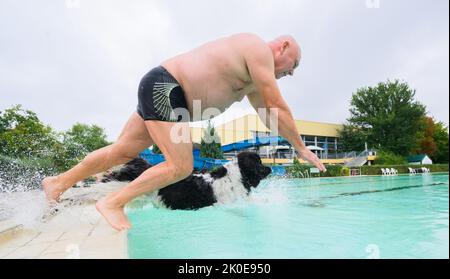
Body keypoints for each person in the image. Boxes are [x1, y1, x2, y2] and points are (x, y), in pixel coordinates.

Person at [42, 33, 327, 231]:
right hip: (167, 88)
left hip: (164, 92)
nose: (291, 74)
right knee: (181, 166)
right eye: (294, 66)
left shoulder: (254, 78)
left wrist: (292, 141)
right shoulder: (257, 49)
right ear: (284, 47)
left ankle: (57, 184)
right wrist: (302, 148)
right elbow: (278, 104)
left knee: (121, 152)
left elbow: (269, 114)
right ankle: (112, 203)